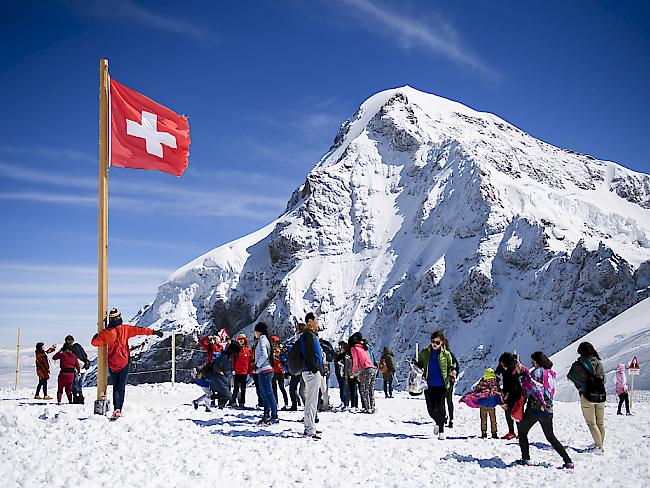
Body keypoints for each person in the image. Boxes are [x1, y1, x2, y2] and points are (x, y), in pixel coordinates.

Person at [91, 307, 162, 419]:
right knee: (121, 386)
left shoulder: (106, 333)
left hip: (113, 363)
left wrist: (96, 336)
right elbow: (140, 330)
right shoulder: (126, 329)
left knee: (115, 386)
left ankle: (116, 409)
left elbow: (94, 343)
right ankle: (120, 409)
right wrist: (154, 332)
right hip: (124, 361)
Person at [515, 352, 574, 469]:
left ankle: (526, 459)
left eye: (533, 361)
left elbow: (528, 385)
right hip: (548, 409)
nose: (532, 363)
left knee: (522, 432)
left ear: (537, 361)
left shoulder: (535, 373)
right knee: (550, 437)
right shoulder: (551, 374)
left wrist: (520, 374)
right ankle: (568, 461)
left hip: (534, 408)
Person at [415, 330, 456, 439]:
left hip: (442, 385)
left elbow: (451, 366)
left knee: (441, 408)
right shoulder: (425, 353)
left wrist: (452, 373)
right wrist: (415, 364)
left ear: (442, 343)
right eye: (433, 341)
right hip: (428, 385)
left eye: (437, 342)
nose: (435, 344)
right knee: (431, 409)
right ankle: (438, 422)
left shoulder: (446, 354)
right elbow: (419, 366)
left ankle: (441, 430)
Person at [567, 342, 606, 453]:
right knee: (600, 423)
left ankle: (598, 447)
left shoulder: (578, 364)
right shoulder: (598, 362)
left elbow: (571, 376)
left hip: (587, 395)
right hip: (600, 395)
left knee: (591, 423)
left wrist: (581, 386)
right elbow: (604, 379)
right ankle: (599, 444)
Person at [460, 368, 504, 438]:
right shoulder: (481, 386)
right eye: (489, 379)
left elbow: (500, 395)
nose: (490, 381)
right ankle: (484, 432)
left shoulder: (496, 387)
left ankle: (494, 433)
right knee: (483, 419)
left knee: (493, 420)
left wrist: (501, 402)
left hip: (492, 405)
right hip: (483, 404)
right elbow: (475, 393)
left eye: (492, 379)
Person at [299, 312, 323, 439]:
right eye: (316, 319)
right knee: (311, 401)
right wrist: (314, 368)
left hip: (310, 370)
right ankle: (309, 429)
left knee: (312, 400)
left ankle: (310, 426)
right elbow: (309, 353)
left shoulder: (309, 334)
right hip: (311, 371)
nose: (318, 321)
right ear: (309, 321)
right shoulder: (308, 335)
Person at [252, 322, 278, 425]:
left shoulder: (262, 340)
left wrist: (257, 365)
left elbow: (264, 354)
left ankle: (274, 415)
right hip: (265, 369)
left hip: (264, 370)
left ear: (259, 331)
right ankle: (266, 414)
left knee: (268, 393)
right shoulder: (264, 339)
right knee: (265, 393)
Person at [349, 332, 377, 414]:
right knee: (370, 389)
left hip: (366, 369)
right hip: (373, 368)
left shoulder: (354, 348)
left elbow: (355, 362)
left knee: (364, 389)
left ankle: (368, 408)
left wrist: (353, 372)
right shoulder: (365, 347)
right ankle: (372, 407)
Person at [496, 352, 522, 439]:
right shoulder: (504, 367)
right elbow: (498, 371)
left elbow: (513, 384)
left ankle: (520, 432)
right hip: (508, 391)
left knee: (516, 412)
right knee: (508, 411)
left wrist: (503, 392)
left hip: (516, 392)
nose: (501, 365)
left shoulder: (514, 370)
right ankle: (511, 432)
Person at [286, 323, 306, 411]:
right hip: (301, 367)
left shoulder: (299, 339)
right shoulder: (304, 338)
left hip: (298, 366)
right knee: (302, 390)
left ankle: (296, 405)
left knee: (295, 388)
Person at [64, 335, 90, 404]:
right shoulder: (78, 346)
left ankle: (77, 398)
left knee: (75, 383)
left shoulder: (67, 348)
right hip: (83, 366)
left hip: (75, 368)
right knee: (79, 383)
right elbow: (85, 355)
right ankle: (80, 397)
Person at [230, 334, 251, 408]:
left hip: (244, 372)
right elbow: (233, 360)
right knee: (235, 388)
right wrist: (233, 369)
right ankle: (233, 402)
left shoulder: (248, 350)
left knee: (243, 389)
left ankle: (242, 402)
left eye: (242, 339)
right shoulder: (236, 350)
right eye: (239, 339)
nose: (241, 340)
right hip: (237, 372)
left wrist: (249, 370)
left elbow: (249, 361)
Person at [442, 338, 459, 428]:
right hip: (447, 381)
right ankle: (448, 418)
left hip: (446, 381)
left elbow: (456, 366)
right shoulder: (450, 355)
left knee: (446, 400)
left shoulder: (448, 355)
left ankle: (449, 418)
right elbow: (457, 367)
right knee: (447, 400)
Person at [271, 336, 289, 410]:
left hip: (279, 371)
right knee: (274, 388)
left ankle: (286, 403)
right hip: (273, 370)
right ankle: (276, 403)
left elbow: (284, 358)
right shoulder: (270, 350)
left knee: (281, 387)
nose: (273, 344)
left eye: (274, 342)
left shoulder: (281, 349)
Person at [318, 338, 335, 411]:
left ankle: (318, 403)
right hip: (326, 369)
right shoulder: (326, 348)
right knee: (324, 388)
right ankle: (326, 404)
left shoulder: (318, 349)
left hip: (318, 369)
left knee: (317, 389)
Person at [334, 341, 351, 409]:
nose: (340, 348)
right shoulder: (340, 355)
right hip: (340, 374)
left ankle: (346, 403)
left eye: (341, 346)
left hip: (345, 374)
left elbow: (346, 365)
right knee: (342, 389)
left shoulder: (346, 355)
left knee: (345, 390)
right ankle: (343, 402)